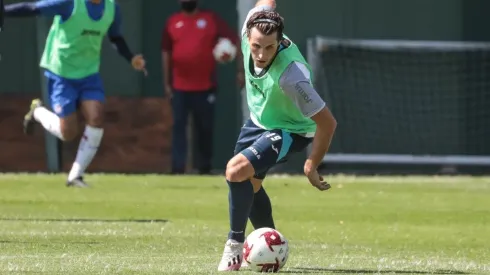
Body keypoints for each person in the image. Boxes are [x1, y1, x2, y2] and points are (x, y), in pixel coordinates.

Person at [217, 0, 337, 271]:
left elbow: (327, 123)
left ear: (280, 41)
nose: (261, 53)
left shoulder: (292, 76)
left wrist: (311, 165)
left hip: (292, 130)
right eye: (256, 45)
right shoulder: (253, 25)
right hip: (259, 121)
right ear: (248, 34)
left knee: (235, 171)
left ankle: (234, 247)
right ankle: (272, 249)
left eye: (270, 47)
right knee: (251, 186)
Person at [4, 0, 146, 187]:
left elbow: (115, 37)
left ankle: (75, 176)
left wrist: (131, 57)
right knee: (68, 132)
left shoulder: (112, 8)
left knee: (96, 116)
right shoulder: (69, 4)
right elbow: (34, 8)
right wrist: (4, 10)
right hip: (61, 74)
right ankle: (38, 112)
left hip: (89, 75)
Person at [161, 0, 244, 175]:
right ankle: (178, 168)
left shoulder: (210, 19)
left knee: (204, 129)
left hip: (205, 86)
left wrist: (240, 71)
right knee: (179, 128)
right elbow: (166, 52)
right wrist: (167, 83)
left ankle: (204, 167)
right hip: (179, 86)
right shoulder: (172, 22)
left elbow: (235, 40)